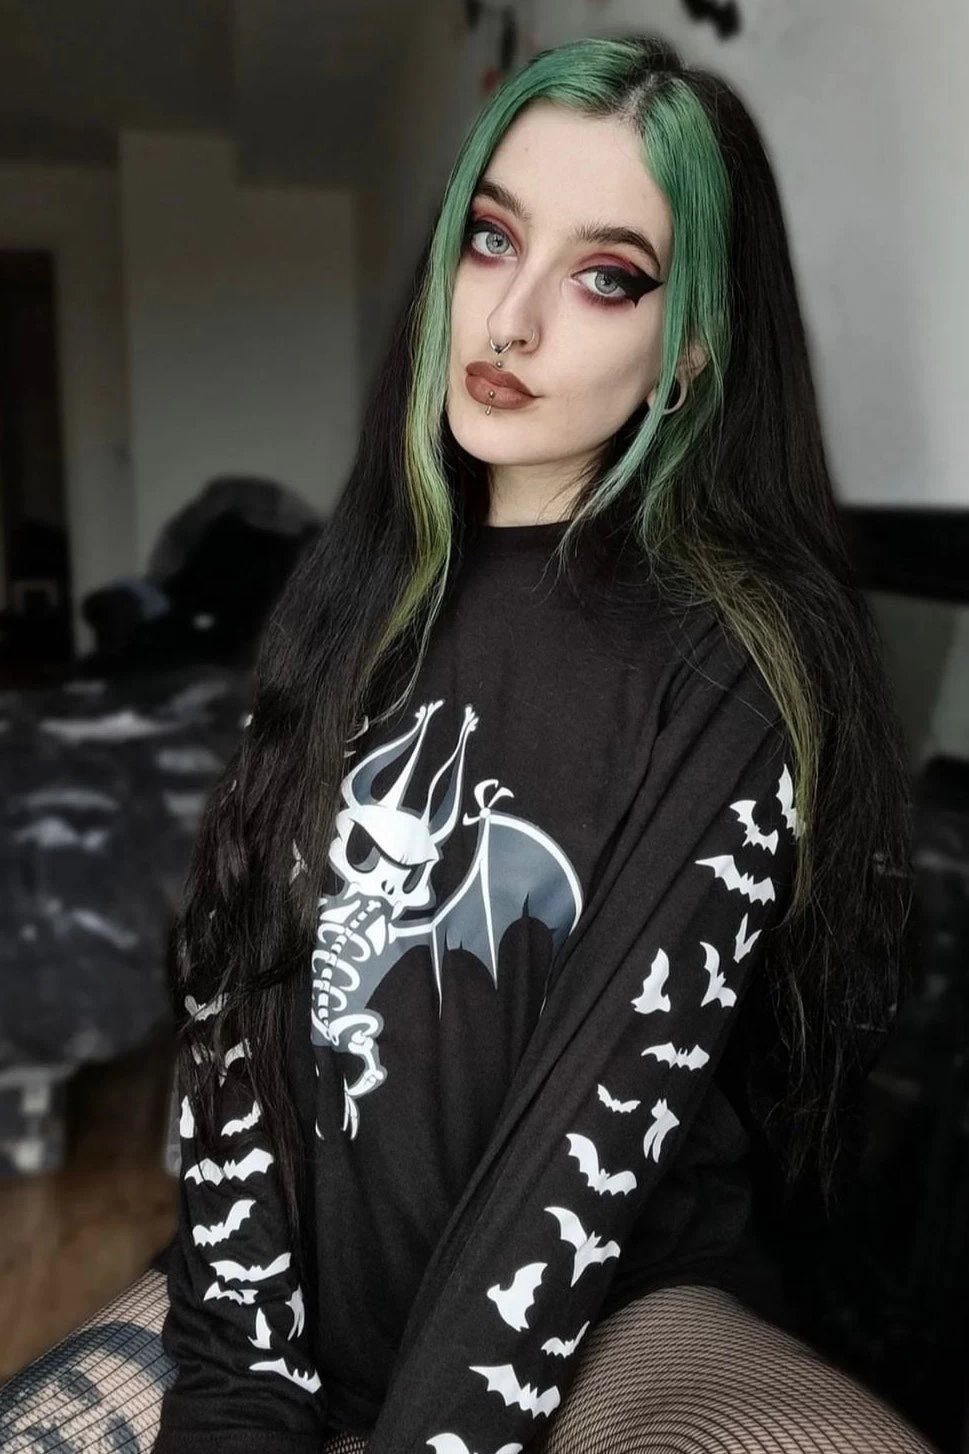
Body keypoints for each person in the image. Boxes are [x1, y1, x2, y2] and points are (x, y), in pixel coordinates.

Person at [0, 32, 937, 1454]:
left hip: (607, 1309)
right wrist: (242, 1391)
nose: (512, 319)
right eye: (494, 240)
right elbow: (237, 1018)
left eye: (606, 276)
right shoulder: (343, 601)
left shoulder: (731, 660)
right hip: (291, 1301)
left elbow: (587, 1135)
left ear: (688, 345)